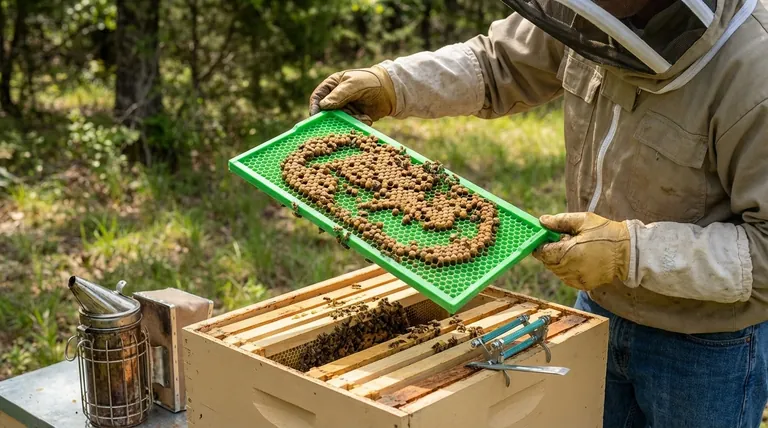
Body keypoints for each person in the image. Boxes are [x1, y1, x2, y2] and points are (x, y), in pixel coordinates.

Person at [309, 0, 768, 426]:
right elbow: (499, 63)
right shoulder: (588, 9)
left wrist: (630, 251)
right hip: (598, 309)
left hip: (707, 347)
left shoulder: (755, 73)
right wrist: (394, 84)